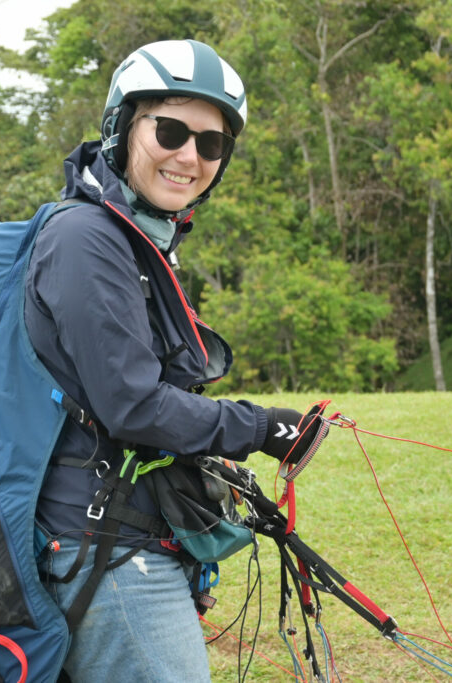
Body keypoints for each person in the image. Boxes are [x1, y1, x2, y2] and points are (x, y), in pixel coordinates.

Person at [24, 39, 322, 682]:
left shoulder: (135, 239)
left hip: (130, 530)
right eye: (171, 130)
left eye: (211, 144)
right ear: (123, 127)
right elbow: (132, 404)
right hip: (103, 544)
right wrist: (261, 427)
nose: (190, 156)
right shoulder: (86, 239)